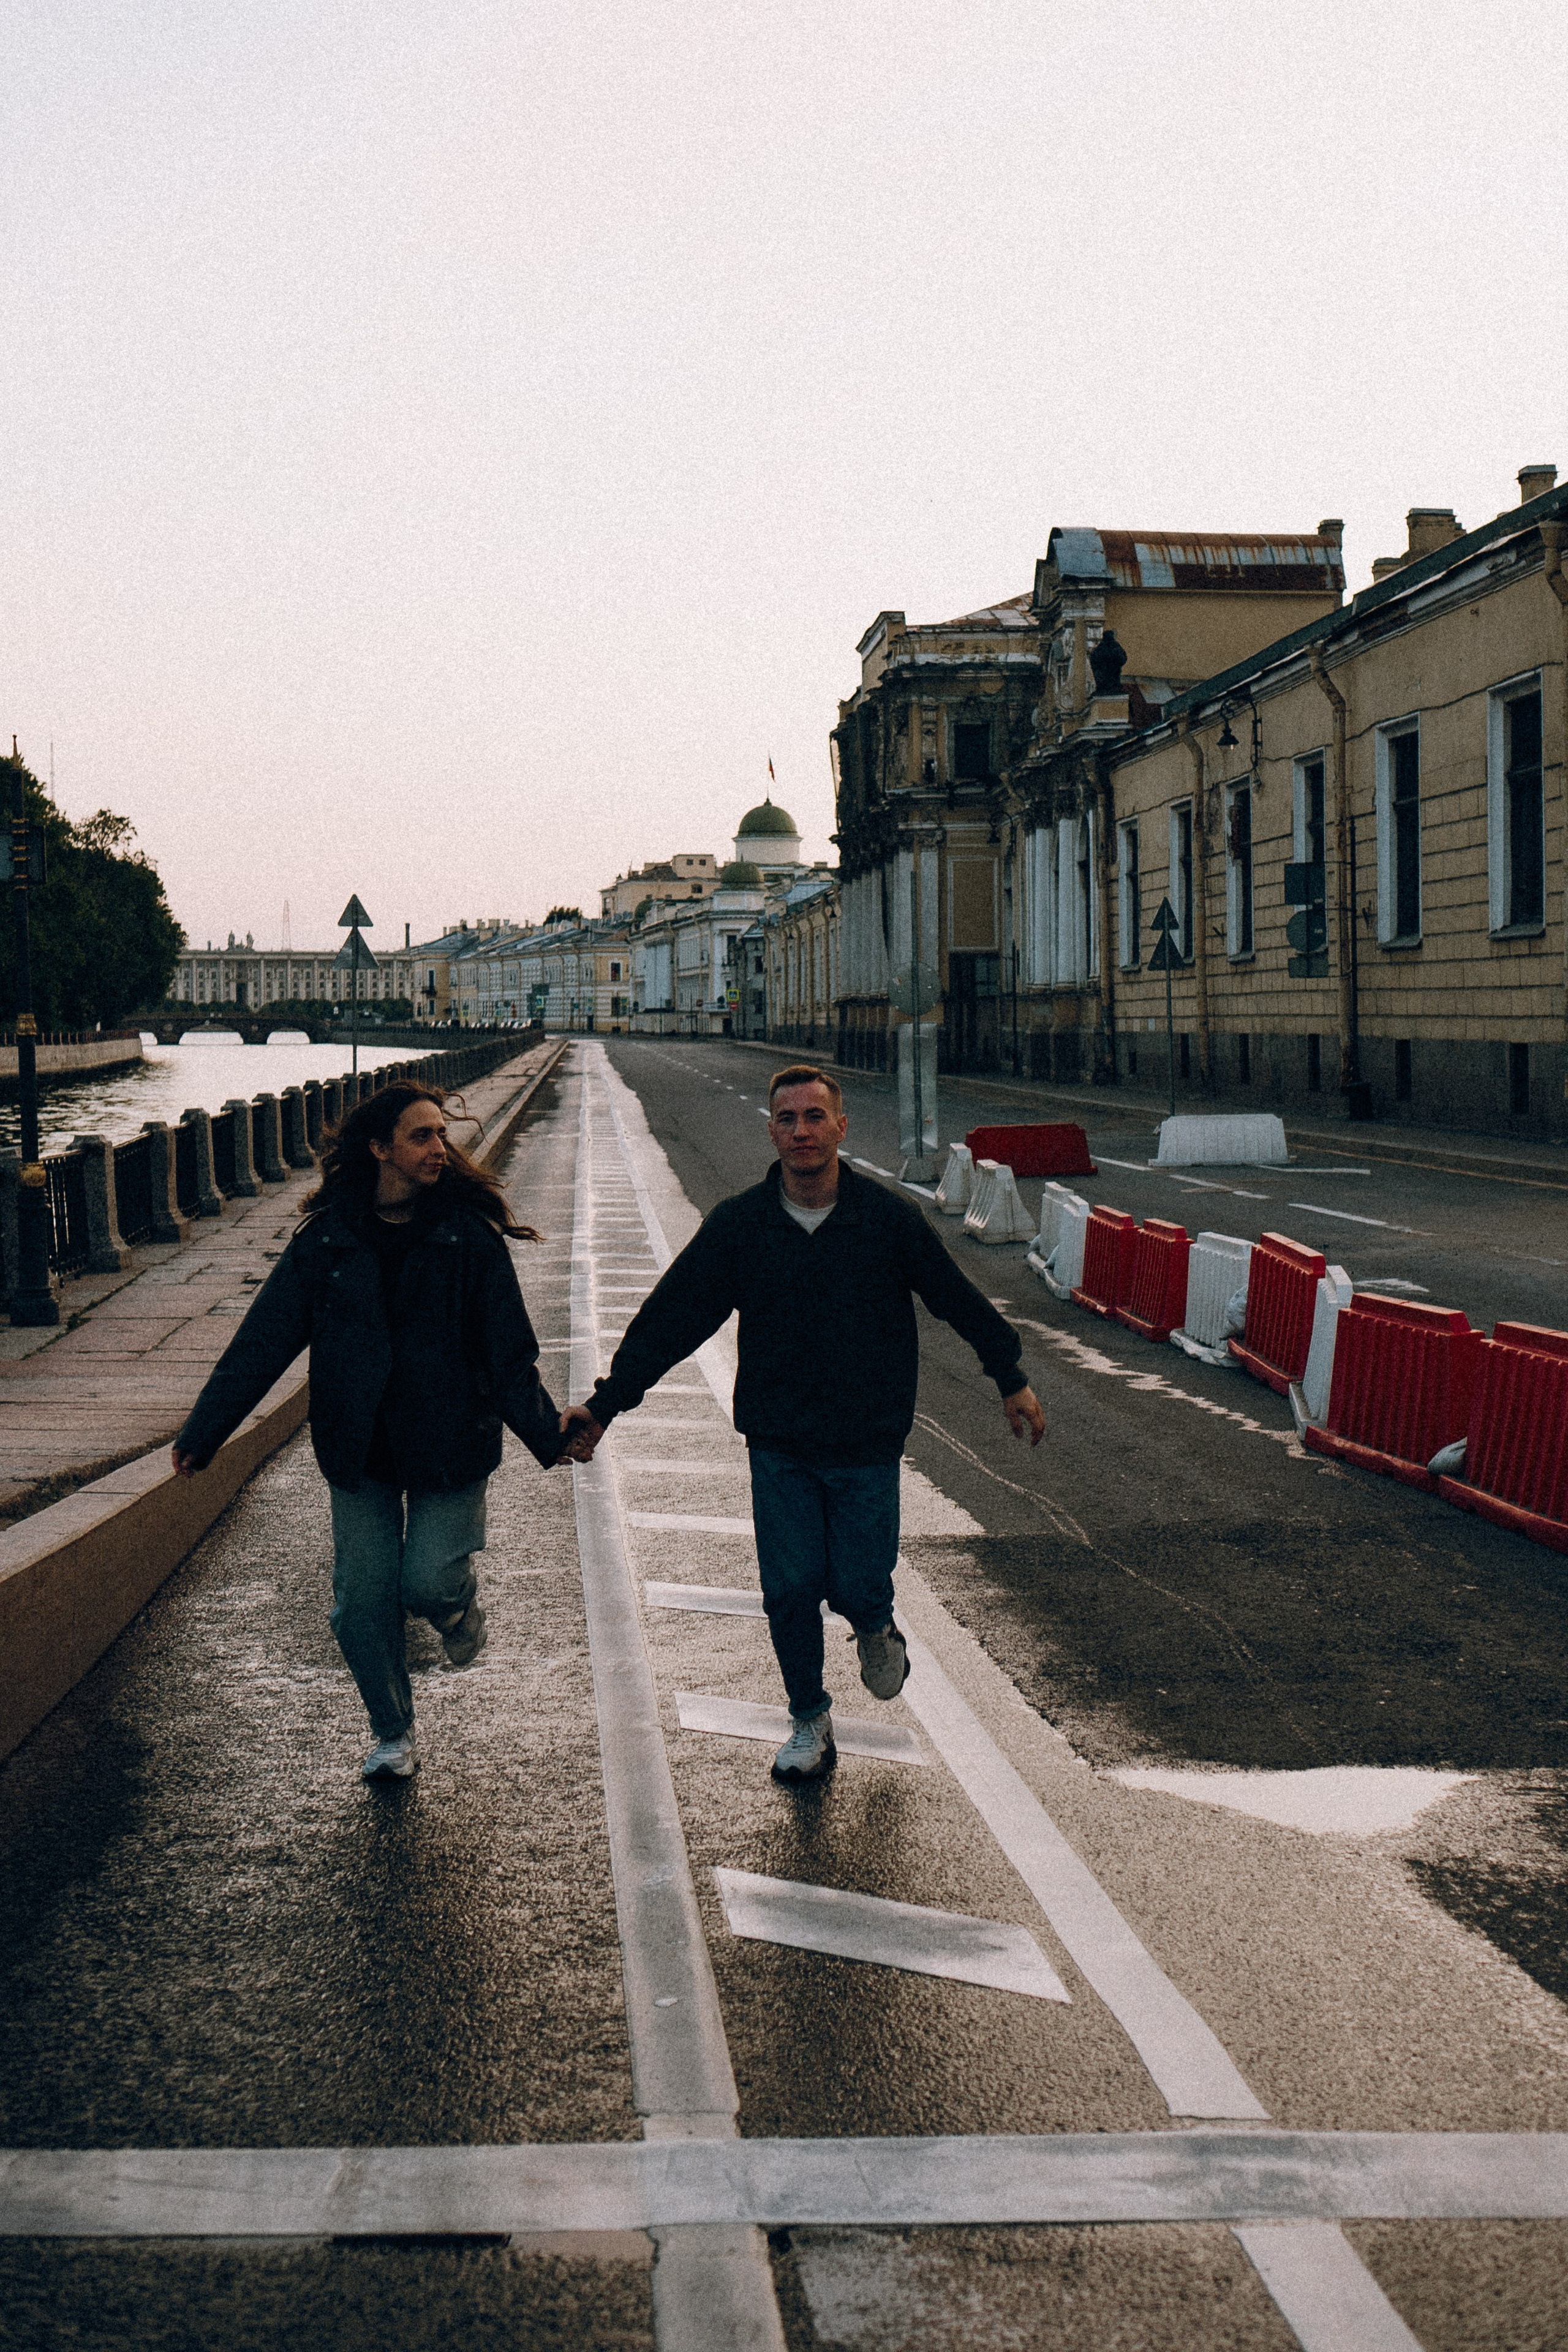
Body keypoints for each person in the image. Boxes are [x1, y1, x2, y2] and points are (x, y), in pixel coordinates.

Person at [561, 1066, 1044, 1782]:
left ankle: (874, 1625)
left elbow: (954, 1297)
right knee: (788, 1588)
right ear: (772, 1132)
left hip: (866, 1442)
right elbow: (673, 1319)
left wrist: (1010, 1377)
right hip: (780, 1441)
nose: (802, 1131)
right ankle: (808, 1719)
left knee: (854, 1582)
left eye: (815, 1117)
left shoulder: (885, 1221)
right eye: (787, 1119)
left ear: (840, 1128)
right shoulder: (741, 1226)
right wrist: (604, 1407)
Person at [172, 1083, 583, 1782]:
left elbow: (508, 1354)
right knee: (362, 1603)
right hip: (359, 1447)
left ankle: (456, 1613)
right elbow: (263, 1341)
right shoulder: (328, 1240)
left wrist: (551, 1435)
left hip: (450, 1442)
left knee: (426, 1581)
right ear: (380, 1148)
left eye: (441, 1136)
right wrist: (204, 1432)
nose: (439, 1149)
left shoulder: (467, 1238)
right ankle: (393, 1731)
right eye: (421, 1136)